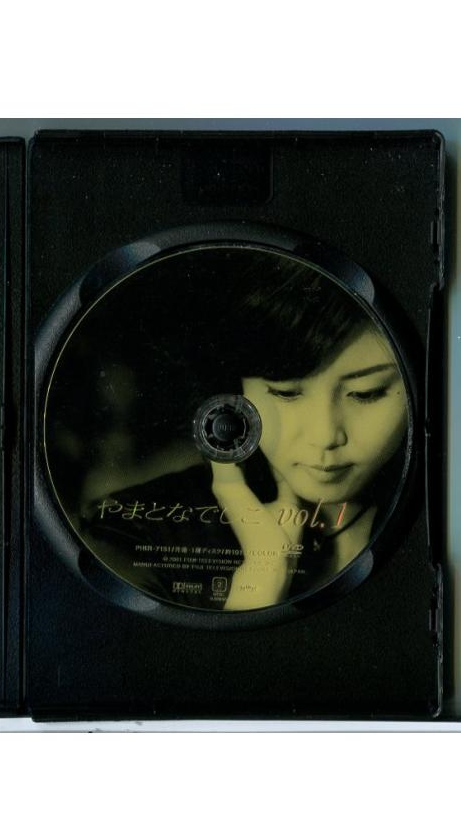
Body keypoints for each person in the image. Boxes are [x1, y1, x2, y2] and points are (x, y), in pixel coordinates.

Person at [80, 252, 409, 612]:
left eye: (367, 393)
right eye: (285, 393)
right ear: (237, 389)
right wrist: (258, 585)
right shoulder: (132, 532)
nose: (326, 436)